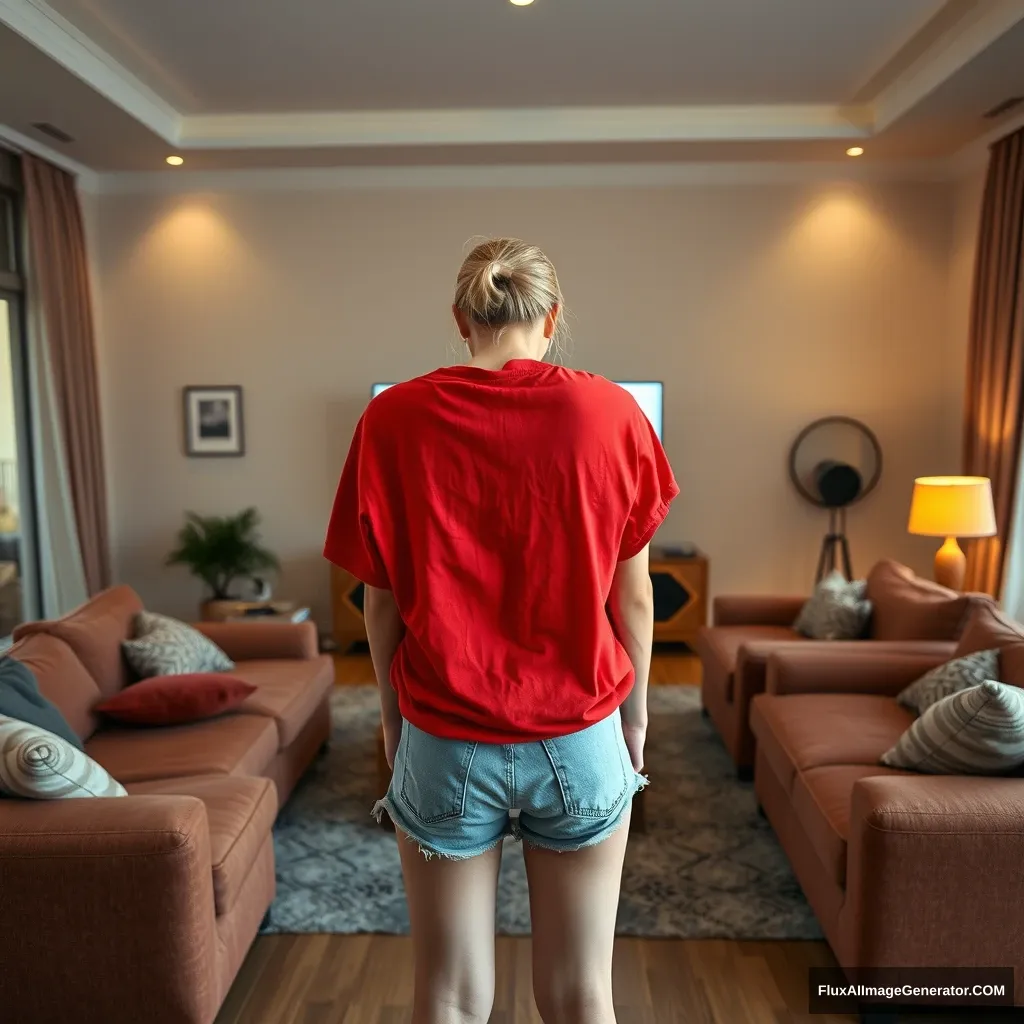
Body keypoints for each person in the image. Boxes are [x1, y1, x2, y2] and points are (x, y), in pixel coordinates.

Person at [324, 237, 678, 1024]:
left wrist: (389, 715)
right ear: (551, 317)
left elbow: (377, 603)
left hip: (445, 735)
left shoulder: (393, 417)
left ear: (461, 319)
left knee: (448, 996)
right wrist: (637, 716)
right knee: (583, 994)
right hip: (582, 735)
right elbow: (637, 597)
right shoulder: (614, 413)